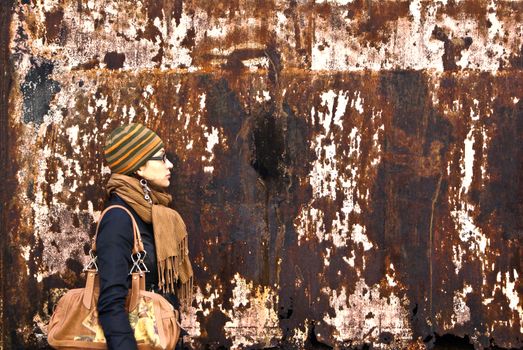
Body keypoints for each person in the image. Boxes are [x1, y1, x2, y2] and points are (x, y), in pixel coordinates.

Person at [96, 123, 193, 349]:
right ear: (138, 167)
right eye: (161, 158)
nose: (169, 164)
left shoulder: (152, 214)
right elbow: (110, 302)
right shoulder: (118, 218)